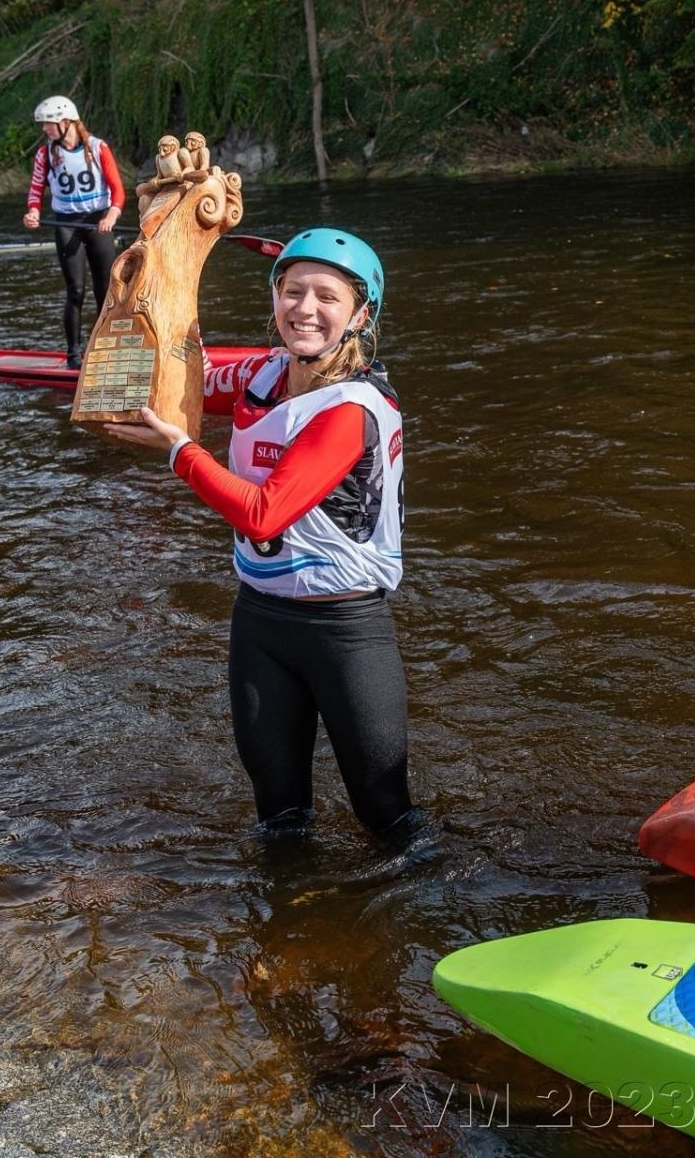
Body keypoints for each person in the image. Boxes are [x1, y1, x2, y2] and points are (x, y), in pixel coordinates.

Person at [104, 227, 418, 839]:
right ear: (274, 299)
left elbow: (263, 513)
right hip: (260, 626)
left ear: (360, 315)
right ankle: (285, 927)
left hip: (346, 633)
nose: (305, 309)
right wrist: (136, 306)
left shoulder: (352, 410)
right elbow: (175, 359)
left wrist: (179, 452)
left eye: (327, 298)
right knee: (278, 819)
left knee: (386, 818)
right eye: (292, 291)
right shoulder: (263, 372)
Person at [23, 96, 126, 369]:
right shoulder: (45, 154)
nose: (45, 129)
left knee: (105, 290)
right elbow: (35, 191)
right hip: (66, 224)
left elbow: (117, 189)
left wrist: (112, 214)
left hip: (98, 222)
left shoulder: (97, 147)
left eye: (49, 123)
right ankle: (73, 355)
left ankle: (107, 350)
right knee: (75, 290)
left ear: (66, 122)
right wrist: (33, 212)